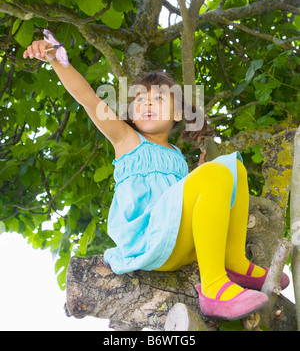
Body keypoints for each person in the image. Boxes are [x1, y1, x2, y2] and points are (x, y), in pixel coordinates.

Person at [23, 36, 289, 321]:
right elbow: (89, 99)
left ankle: (234, 260)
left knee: (233, 166)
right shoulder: (127, 140)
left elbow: (192, 205)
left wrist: (202, 173)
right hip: (149, 241)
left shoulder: (176, 155)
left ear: (177, 113)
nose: (146, 104)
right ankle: (213, 287)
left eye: (158, 98)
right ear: (132, 115)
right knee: (216, 171)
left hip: (179, 243)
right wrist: (56, 59)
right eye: (139, 99)